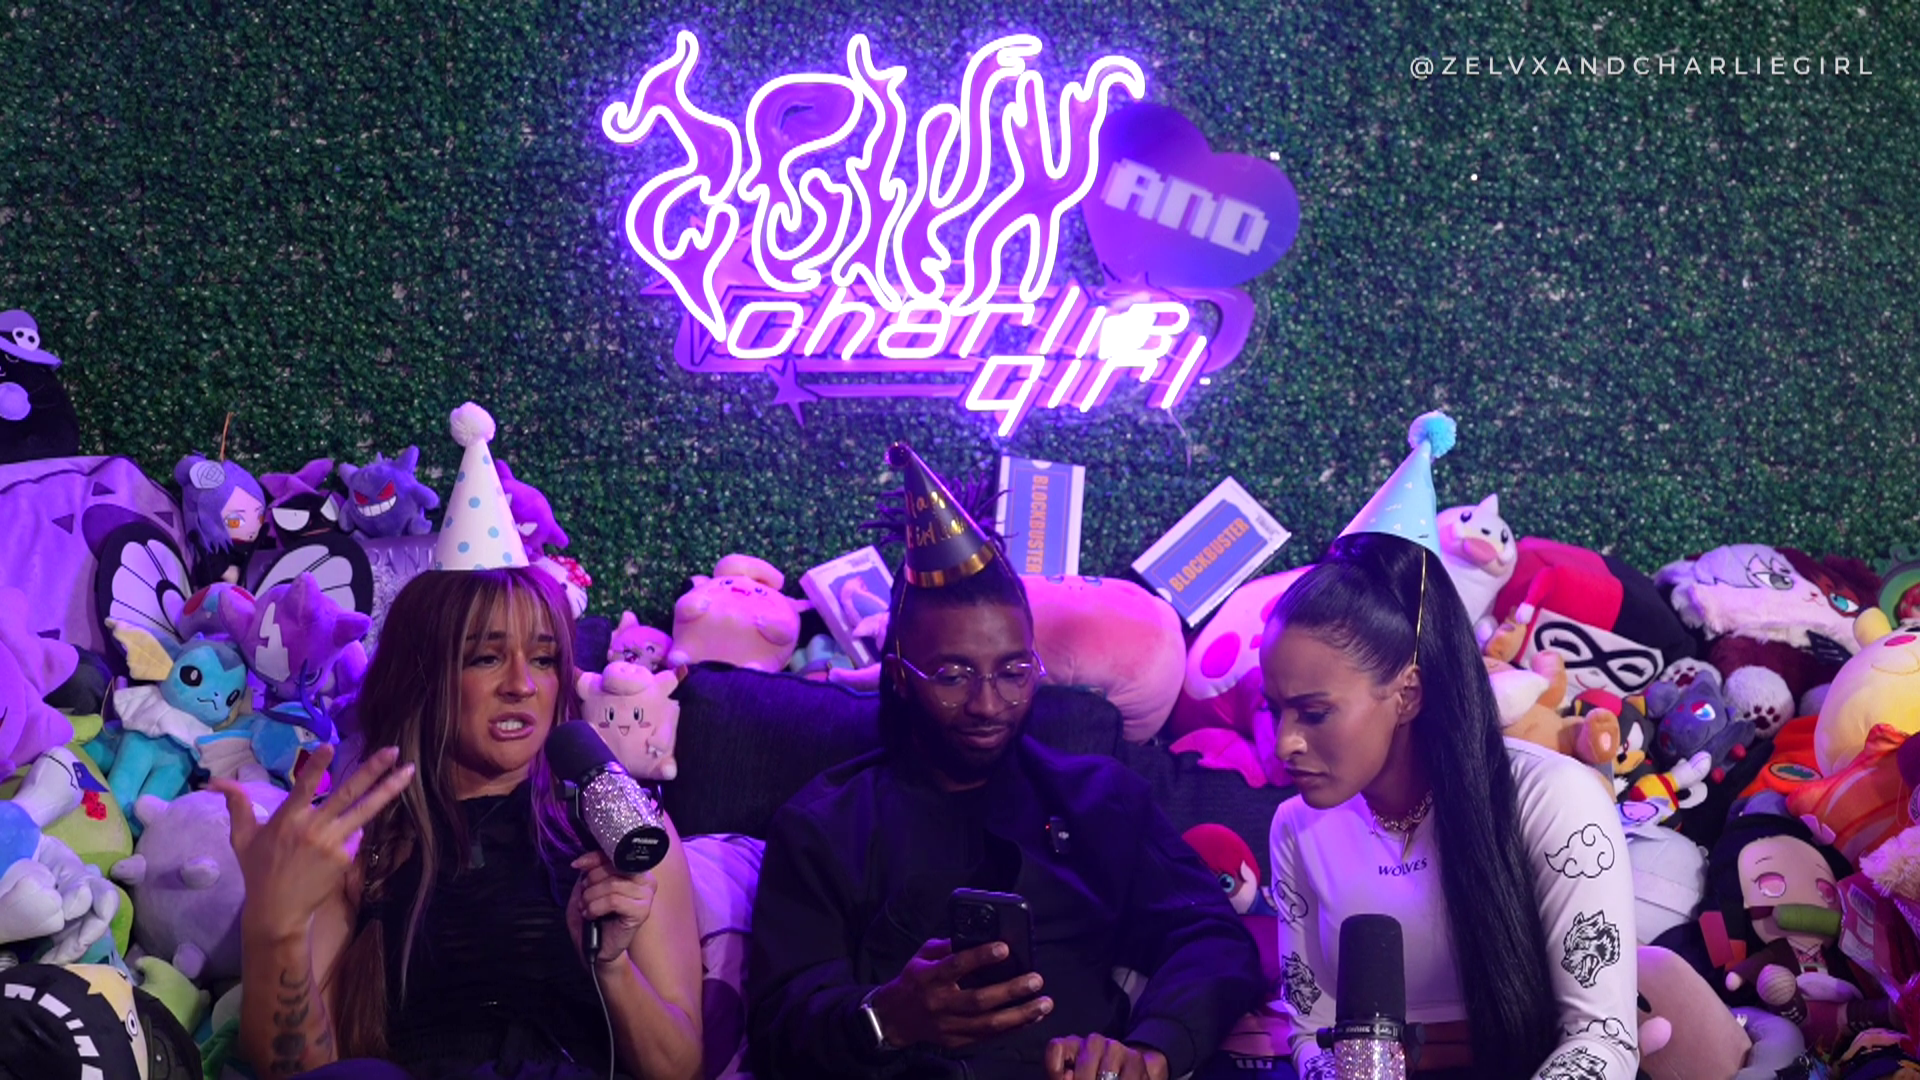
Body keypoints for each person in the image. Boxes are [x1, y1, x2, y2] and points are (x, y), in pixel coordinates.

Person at [747, 443, 1263, 1080]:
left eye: (1014, 672)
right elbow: (778, 1028)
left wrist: (1152, 1052)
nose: (989, 704)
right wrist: (887, 1019)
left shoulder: (1100, 799)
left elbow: (1212, 938)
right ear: (899, 676)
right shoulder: (825, 825)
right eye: (953, 675)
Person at [216, 566, 704, 1080]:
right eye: (486, 658)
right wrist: (276, 926)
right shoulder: (356, 844)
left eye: (543, 660)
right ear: (422, 676)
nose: (522, 686)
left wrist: (612, 967)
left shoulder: (624, 824)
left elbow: (681, 1070)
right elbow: (298, 1072)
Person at [1262, 529, 1639, 1080]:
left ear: (1407, 694)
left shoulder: (1555, 798)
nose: (1283, 744)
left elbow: (1602, 1039)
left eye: (1314, 713)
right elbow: (1310, 1032)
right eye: (1274, 710)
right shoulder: (1295, 827)